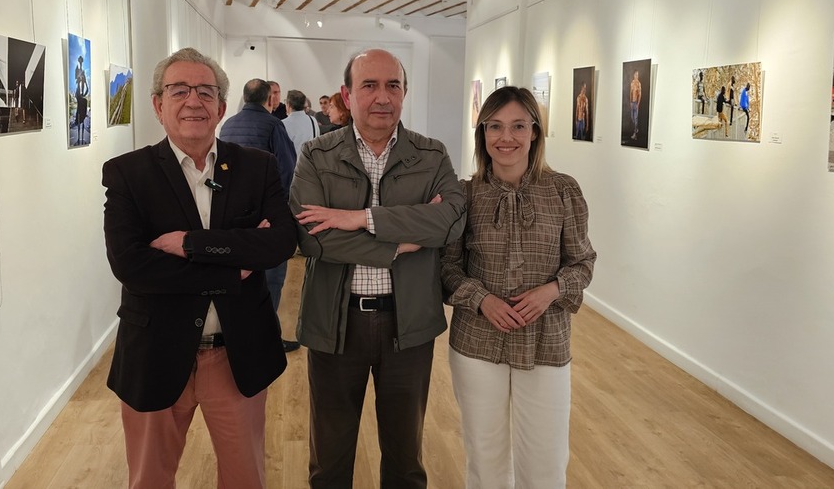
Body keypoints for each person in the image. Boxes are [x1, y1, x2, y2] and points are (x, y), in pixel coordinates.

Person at [102, 47, 295, 488]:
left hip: (236, 351)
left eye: (206, 92)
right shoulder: (128, 174)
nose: (194, 101)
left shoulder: (255, 167)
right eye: (179, 90)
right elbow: (132, 265)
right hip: (156, 352)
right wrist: (233, 268)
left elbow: (281, 242)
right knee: (149, 479)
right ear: (157, 104)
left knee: (245, 478)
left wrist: (191, 244)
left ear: (222, 108)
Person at [289, 48, 466, 488]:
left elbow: (451, 220)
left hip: (408, 324)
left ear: (405, 93)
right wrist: (399, 244)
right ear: (347, 96)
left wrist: (361, 219)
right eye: (369, 85)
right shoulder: (316, 154)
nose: (382, 96)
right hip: (336, 322)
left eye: (393, 85)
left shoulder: (431, 153)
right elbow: (312, 236)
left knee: (406, 460)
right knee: (329, 461)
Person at [441, 86, 596, 489]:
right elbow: (447, 268)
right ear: (482, 134)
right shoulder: (465, 194)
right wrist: (482, 300)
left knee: (546, 460)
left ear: (535, 133)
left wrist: (551, 291)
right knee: (485, 456)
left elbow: (582, 262)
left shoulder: (564, 190)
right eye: (495, 126)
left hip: (546, 342)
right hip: (477, 343)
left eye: (517, 126)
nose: (505, 137)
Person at [219, 78, 301, 352]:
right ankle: (267, 338)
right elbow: (288, 170)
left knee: (239, 274)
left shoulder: (228, 124)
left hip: (230, 215)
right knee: (273, 276)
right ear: (270, 100)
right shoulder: (273, 125)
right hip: (266, 213)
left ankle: (238, 336)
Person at [629, 70, 642, 140]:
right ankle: (636, 129)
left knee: (636, 118)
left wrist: (638, 104)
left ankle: (635, 134)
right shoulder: (632, 83)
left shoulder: (639, 84)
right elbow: (630, 92)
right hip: (632, 103)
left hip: (636, 103)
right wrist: (630, 102)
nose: (637, 76)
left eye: (638, 75)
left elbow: (640, 95)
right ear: (634, 75)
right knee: (632, 118)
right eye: (636, 75)